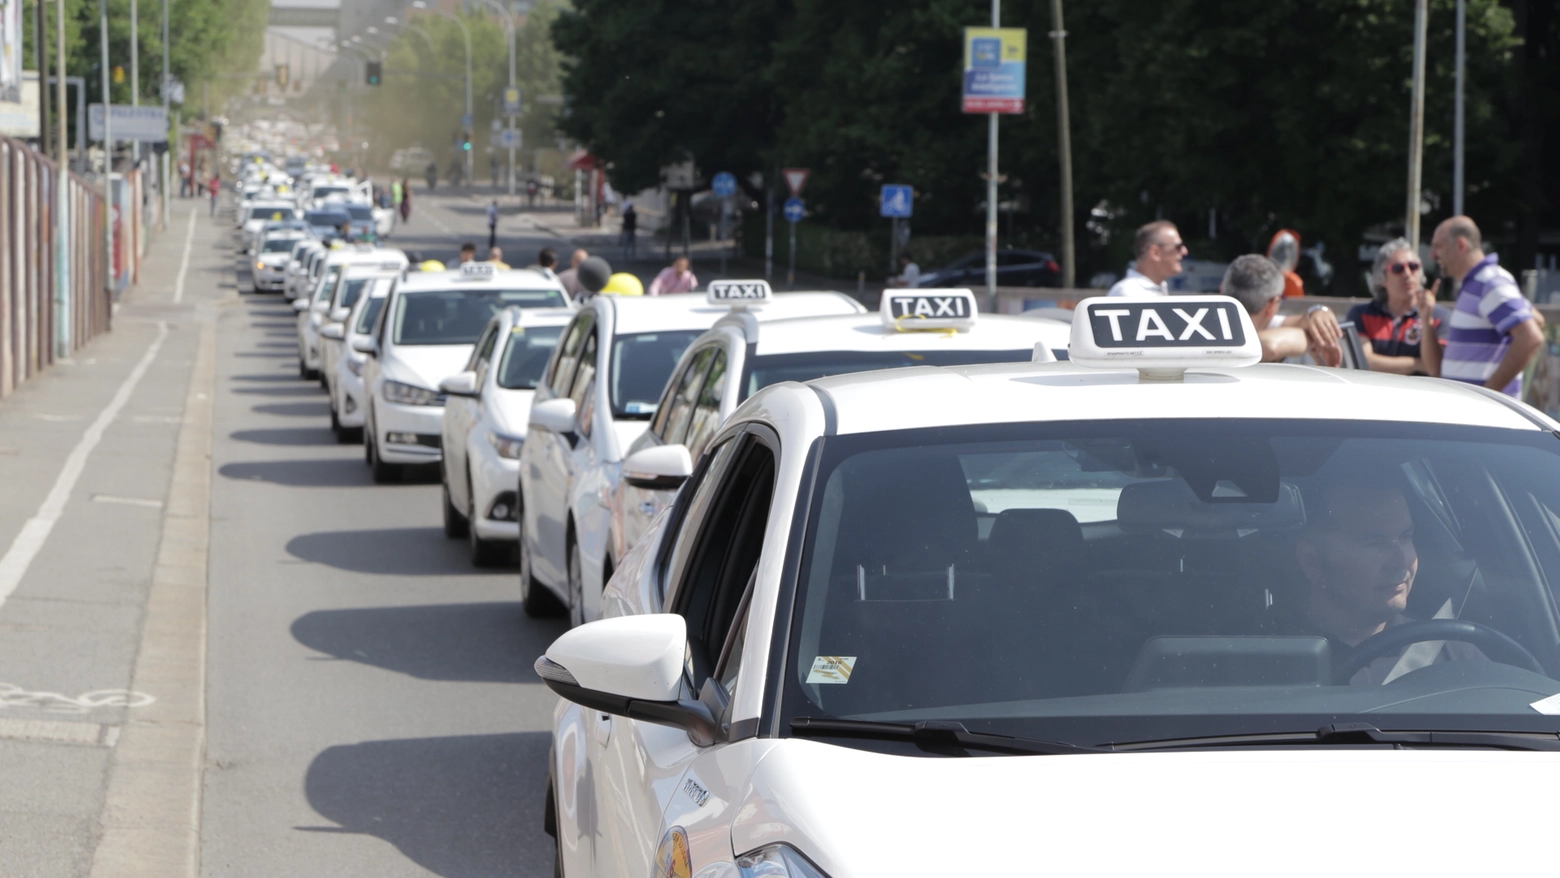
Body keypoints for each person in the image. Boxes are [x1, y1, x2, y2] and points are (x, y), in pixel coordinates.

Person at [1292, 472, 1486, 685]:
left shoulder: (1458, 661)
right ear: (1313, 562)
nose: (1401, 561)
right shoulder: (1265, 660)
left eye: (1406, 537)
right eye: (1374, 542)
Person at [1432, 216, 1544, 398]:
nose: (1433, 254)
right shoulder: (1484, 282)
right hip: (1478, 415)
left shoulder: (1490, 283)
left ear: (1461, 245)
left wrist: (1487, 396)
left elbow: (1530, 337)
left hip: (1487, 416)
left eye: (1438, 246)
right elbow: (1537, 320)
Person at [1346, 238, 1448, 376]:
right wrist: (1417, 363)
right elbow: (1364, 362)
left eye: (1413, 266)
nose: (1407, 274)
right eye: (1398, 269)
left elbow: (1435, 369)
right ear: (1382, 278)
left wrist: (1426, 319)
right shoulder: (1361, 314)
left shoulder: (1440, 316)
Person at [1220, 255, 1342, 366]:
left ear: (1222, 289)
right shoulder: (1251, 341)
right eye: (1281, 300)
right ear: (1271, 306)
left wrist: (1318, 311)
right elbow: (1269, 345)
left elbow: (1302, 320)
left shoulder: (1207, 323)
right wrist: (1312, 338)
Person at [1107, 221, 1184, 297]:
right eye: (1178, 247)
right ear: (1155, 253)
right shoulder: (1127, 293)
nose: (1184, 251)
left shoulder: (1158, 288)